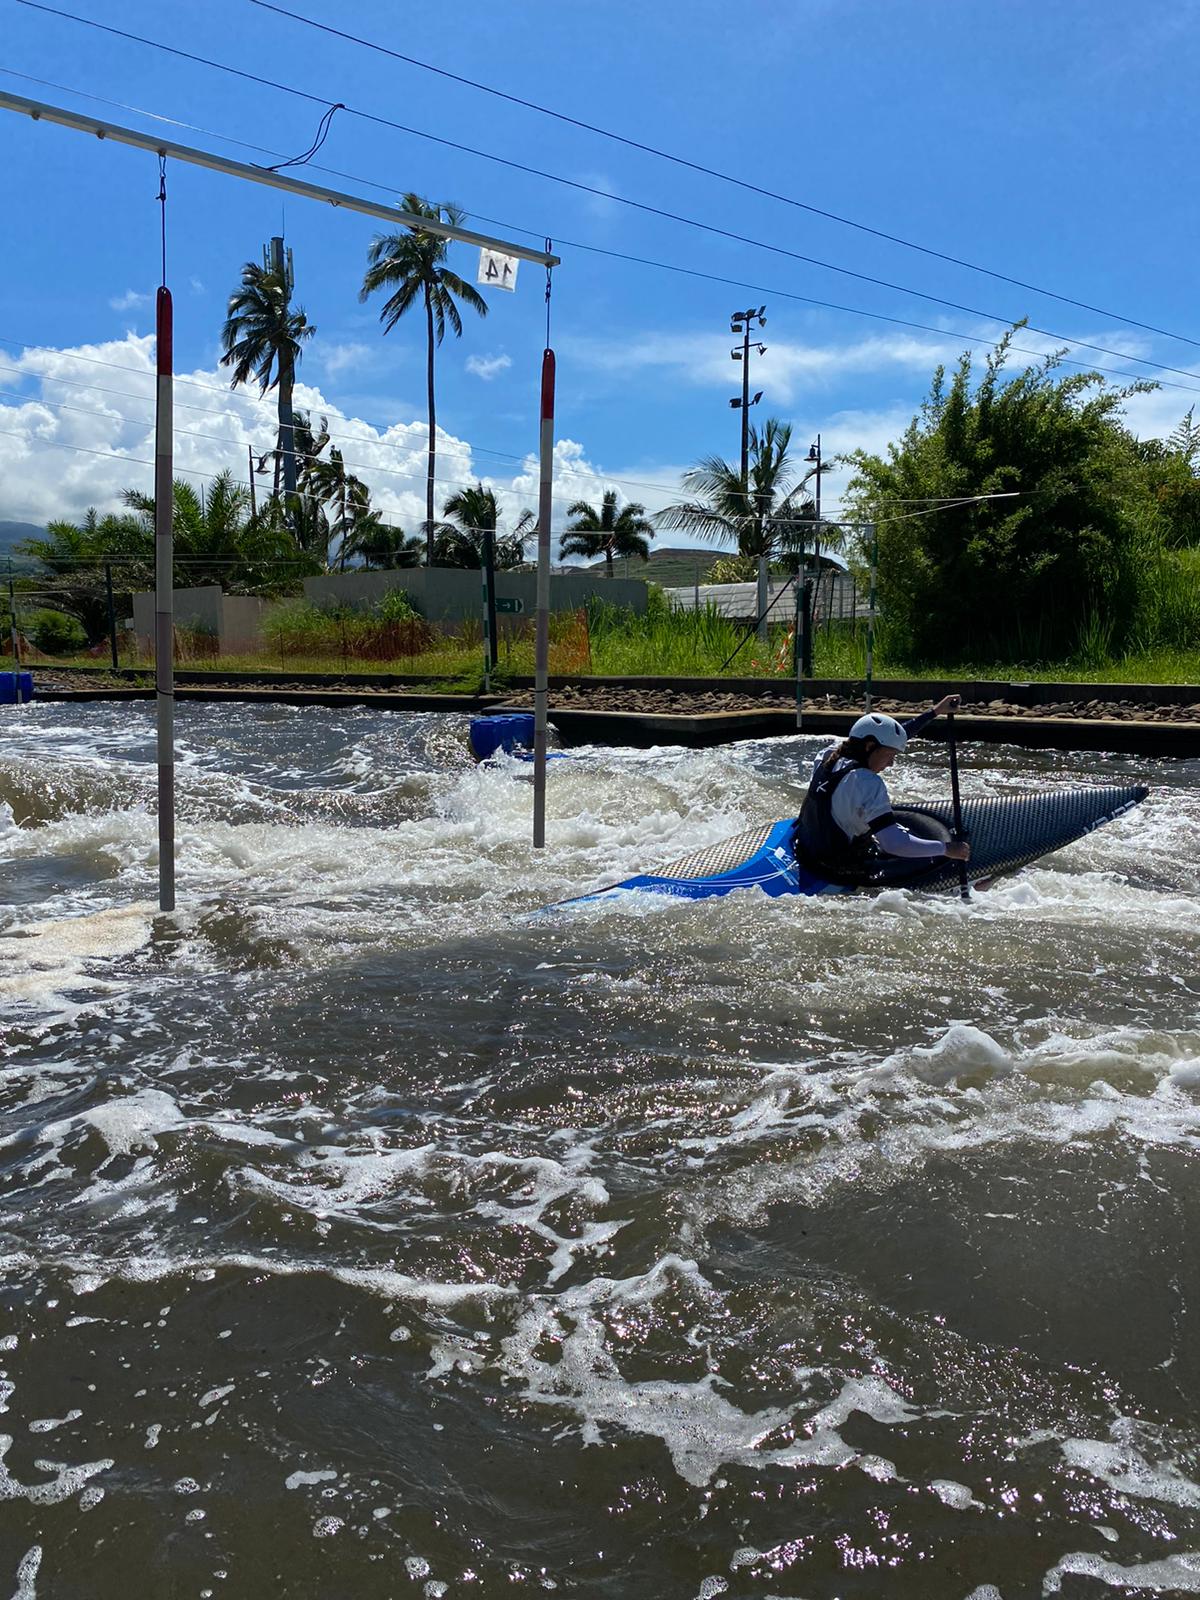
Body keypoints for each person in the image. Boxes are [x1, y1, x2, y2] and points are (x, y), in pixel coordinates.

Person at [793, 695, 971, 884]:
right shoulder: (869, 783)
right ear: (870, 747)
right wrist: (947, 849)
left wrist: (934, 712)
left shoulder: (828, 755)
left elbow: (893, 737)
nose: (891, 763)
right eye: (890, 755)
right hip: (836, 868)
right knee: (928, 857)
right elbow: (894, 844)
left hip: (805, 849)